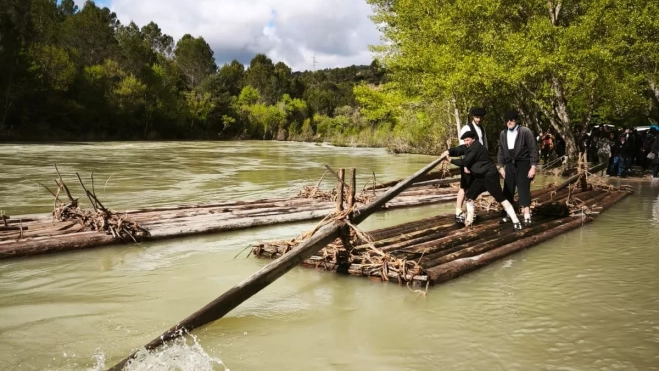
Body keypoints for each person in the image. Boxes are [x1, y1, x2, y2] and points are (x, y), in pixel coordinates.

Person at [441, 130, 523, 231]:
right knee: (469, 196)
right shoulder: (468, 146)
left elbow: (465, 161)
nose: (466, 142)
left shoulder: (476, 147)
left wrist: (450, 160)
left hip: (490, 176)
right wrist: (448, 151)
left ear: (473, 139)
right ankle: (469, 222)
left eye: (468, 140)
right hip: (480, 177)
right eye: (465, 141)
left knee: (500, 198)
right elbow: (459, 149)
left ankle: (516, 221)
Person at [496, 110, 538, 226]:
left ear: (516, 120)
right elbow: (501, 151)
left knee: (523, 188)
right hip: (509, 164)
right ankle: (509, 214)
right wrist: (501, 166)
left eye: (512, 120)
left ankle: (527, 215)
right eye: (507, 120)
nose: (509, 122)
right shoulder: (503, 134)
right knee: (508, 190)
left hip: (523, 164)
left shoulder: (525, 131)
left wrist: (533, 166)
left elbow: (533, 149)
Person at [454, 107, 488, 224]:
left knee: (474, 187)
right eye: (477, 117)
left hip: (478, 164)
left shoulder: (482, 129)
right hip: (468, 163)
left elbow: (484, 146)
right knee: (464, 186)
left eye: (481, 117)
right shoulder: (467, 128)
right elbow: (462, 147)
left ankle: (470, 212)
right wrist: (465, 165)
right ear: (473, 117)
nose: (479, 119)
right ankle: (458, 211)